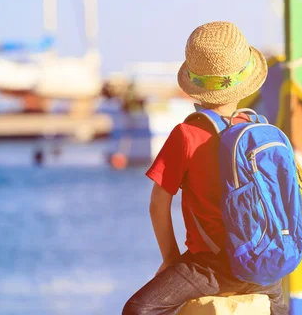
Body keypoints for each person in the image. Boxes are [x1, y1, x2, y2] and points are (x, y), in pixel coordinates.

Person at [122, 21, 288, 314]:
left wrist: (171, 259)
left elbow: (158, 206)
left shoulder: (186, 135)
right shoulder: (259, 129)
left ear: (196, 86)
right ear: (245, 83)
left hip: (212, 268)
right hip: (265, 269)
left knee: (137, 309)